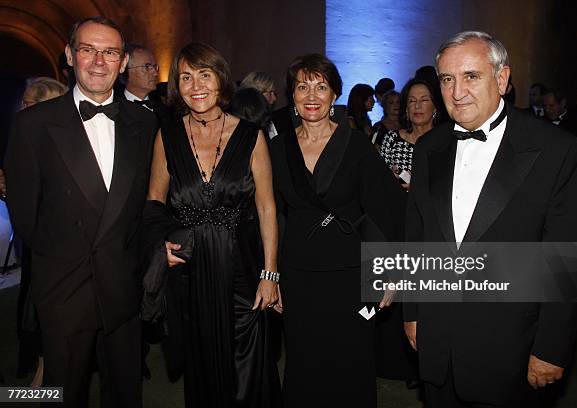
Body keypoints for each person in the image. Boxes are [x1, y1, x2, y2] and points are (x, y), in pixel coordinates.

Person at [403, 31, 577, 407]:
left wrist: (553, 347)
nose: (457, 93)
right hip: (437, 342)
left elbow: (569, 260)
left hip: (512, 350)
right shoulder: (428, 149)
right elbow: (416, 236)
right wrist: (413, 312)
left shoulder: (558, 150)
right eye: (447, 79)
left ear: (502, 79)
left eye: (471, 76)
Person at [4, 16, 158, 408]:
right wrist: (61, 265)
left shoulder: (146, 123)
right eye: (88, 50)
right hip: (64, 290)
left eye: (109, 52)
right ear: (70, 56)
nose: (98, 61)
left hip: (123, 286)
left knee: (124, 394)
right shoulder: (33, 124)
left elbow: (146, 204)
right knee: (62, 393)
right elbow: (25, 214)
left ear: (122, 63)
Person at [145, 42, 281, 408]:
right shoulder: (167, 136)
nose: (195, 85)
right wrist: (160, 247)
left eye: (204, 74)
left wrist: (270, 275)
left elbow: (267, 207)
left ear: (220, 79)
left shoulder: (250, 136)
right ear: (176, 86)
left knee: (249, 363)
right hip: (189, 271)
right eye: (185, 77)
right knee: (202, 360)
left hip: (242, 268)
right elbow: (154, 202)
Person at [269, 53, 405, 408]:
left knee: (352, 361)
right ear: (292, 95)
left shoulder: (357, 145)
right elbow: (271, 216)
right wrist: (272, 274)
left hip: (351, 272)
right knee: (303, 361)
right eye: (302, 86)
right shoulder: (276, 148)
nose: (311, 95)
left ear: (334, 95)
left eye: (321, 86)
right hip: (298, 273)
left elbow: (387, 209)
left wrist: (391, 272)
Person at [14, 76, 68, 388]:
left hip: (60, 252)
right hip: (44, 248)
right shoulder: (28, 141)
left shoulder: (56, 142)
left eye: (29, 103)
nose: (23, 108)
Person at [379, 78, 439, 190]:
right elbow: (378, 182)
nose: (417, 106)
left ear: (435, 107)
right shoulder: (392, 139)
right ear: (406, 109)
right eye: (412, 101)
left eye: (424, 100)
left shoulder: (444, 142)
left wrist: (419, 188)